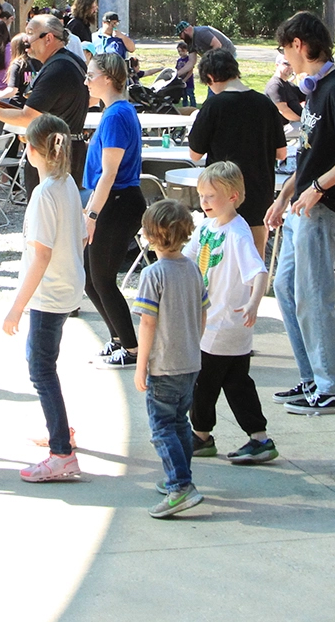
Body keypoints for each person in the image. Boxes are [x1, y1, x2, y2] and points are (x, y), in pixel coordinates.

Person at [264, 12, 335, 415]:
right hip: (300, 206)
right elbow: (310, 155)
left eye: (284, 47)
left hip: (323, 209)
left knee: (313, 297)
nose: (283, 56)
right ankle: (312, 378)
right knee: (288, 292)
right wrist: (283, 197)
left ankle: (333, 386)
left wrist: (320, 188)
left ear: (299, 44)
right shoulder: (315, 91)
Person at [3, 114, 87, 482]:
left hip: (49, 294)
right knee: (44, 362)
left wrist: (16, 307)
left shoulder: (44, 194)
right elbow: (81, 234)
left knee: (40, 367)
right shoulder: (66, 183)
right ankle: (60, 431)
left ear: (33, 150)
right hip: (67, 287)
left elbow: (41, 255)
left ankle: (61, 453)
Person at [184, 161, 275, 466]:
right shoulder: (208, 226)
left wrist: (253, 304)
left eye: (211, 196)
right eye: (201, 195)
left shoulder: (238, 233)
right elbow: (189, 257)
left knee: (203, 381)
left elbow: (259, 272)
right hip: (215, 321)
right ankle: (259, 438)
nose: (204, 202)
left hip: (224, 322)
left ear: (233, 196)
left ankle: (200, 435)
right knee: (236, 383)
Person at [134, 198, 207, 519]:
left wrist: (141, 365)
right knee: (180, 423)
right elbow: (203, 313)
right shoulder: (192, 268)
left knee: (162, 427)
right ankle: (180, 478)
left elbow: (147, 323)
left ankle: (180, 485)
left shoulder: (153, 274)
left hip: (164, 365)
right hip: (190, 361)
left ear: (151, 236)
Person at [0, 14, 90, 188]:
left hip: (53, 155)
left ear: (48, 38)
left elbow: (27, 117)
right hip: (70, 150)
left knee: (44, 212)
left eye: (30, 32)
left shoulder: (57, 70)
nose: (25, 39)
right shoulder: (74, 61)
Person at [80, 52, 147, 368]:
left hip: (118, 203)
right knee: (90, 279)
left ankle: (132, 349)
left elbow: (109, 172)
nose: (86, 80)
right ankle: (118, 338)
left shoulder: (117, 115)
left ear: (108, 77)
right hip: (111, 201)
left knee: (103, 279)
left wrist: (92, 215)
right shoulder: (115, 112)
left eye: (90, 74)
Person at [186, 49, 286, 256]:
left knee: (219, 261)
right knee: (255, 259)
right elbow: (281, 153)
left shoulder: (213, 105)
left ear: (211, 77)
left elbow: (194, 154)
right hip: (259, 192)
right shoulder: (265, 104)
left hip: (221, 194)